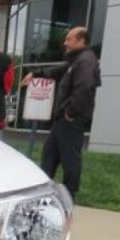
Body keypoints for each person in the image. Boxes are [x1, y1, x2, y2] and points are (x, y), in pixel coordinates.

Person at [21, 26, 101, 201]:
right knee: (49, 155)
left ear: (81, 41)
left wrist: (70, 112)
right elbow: (57, 71)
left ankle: (69, 198)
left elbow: (85, 87)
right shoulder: (76, 60)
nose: (65, 43)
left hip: (71, 119)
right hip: (62, 120)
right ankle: (41, 195)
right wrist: (36, 73)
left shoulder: (86, 60)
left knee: (70, 160)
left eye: (70, 39)